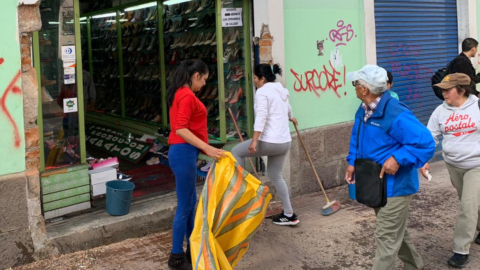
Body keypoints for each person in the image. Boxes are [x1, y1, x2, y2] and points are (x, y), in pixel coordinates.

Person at [345, 65, 435, 270]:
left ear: (365, 90)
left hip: (396, 187)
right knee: (395, 232)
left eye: (356, 84)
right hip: (374, 181)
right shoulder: (364, 109)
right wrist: (352, 162)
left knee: (386, 235)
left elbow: (425, 143)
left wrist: (398, 158)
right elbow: (356, 138)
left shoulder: (395, 112)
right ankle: (415, 265)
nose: (354, 88)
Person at [166, 59, 224, 270]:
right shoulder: (187, 95)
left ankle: (192, 250)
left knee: (191, 203)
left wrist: (204, 148)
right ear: (196, 75)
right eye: (204, 80)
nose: (204, 86)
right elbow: (181, 128)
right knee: (184, 206)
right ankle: (176, 257)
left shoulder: (180, 92)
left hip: (184, 152)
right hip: (183, 152)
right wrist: (207, 148)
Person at [420, 73, 480, 268]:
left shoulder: (477, 106)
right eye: (443, 89)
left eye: (448, 89)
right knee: (468, 201)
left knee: (467, 207)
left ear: (462, 90)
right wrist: (424, 159)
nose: (443, 92)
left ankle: (461, 250)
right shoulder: (440, 111)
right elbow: (431, 137)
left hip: (476, 165)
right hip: (453, 165)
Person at [231, 63, 299, 226]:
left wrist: (254, 141)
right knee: (276, 175)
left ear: (262, 78)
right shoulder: (280, 90)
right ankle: (289, 214)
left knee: (236, 152)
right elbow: (287, 107)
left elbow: (261, 116)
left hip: (270, 141)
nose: (253, 80)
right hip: (284, 142)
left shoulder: (262, 92)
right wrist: (291, 117)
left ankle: (241, 195)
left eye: (255, 77)